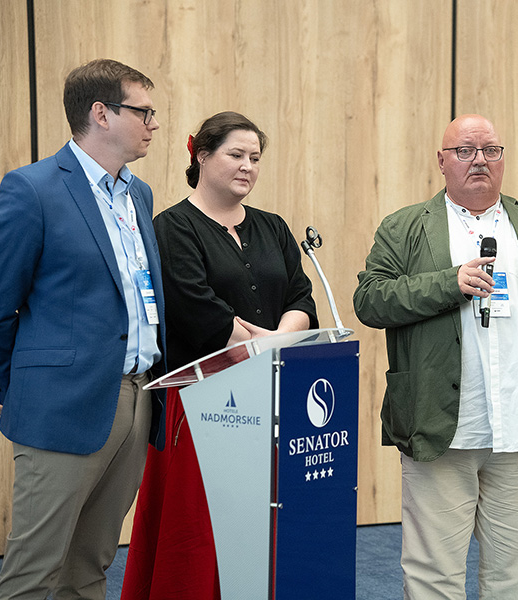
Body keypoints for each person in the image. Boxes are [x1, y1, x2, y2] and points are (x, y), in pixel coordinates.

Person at [353, 114, 518, 599]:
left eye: (490, 150)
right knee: (433, 576)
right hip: (439, 425)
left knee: (515, 578)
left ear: (502, 159)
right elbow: (370, 300)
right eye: (465, 150)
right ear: (442, 161)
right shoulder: (405, 226)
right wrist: (448, 283)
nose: (479, 160)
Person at [0, 59, 166, 600]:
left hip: (137, 399)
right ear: (101, 113)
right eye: (143, 112)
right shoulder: (32, 189)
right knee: (33, 573)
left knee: (90, 566)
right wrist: (21, 387)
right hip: (60, 405)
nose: (153, 124)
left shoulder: (139, 194)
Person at [121, 111, 318, 600]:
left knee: (262, 523)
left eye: (255, 157)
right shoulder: (172, 227)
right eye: (236, 154)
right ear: (202, 156)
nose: (248, 166)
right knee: (203, 532)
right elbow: (196, 307)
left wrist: (278, 340)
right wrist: (262, 344)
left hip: (272, 394)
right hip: (203, 404)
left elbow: (301, 296)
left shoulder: (273, 226)